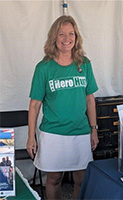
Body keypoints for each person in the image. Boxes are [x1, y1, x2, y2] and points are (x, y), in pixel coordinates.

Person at [26, 15, 99, 200]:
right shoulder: (44, 68)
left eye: (71, 34)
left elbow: (90, 100)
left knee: (81, 178)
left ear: (76, 37)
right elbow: (34, 105)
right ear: (54, 38)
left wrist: (94, 130)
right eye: (61, 34)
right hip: (53, 133)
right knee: (54, 179)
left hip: (80, 132)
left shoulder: (85, 64)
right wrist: (30, 137)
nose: (67, 39)